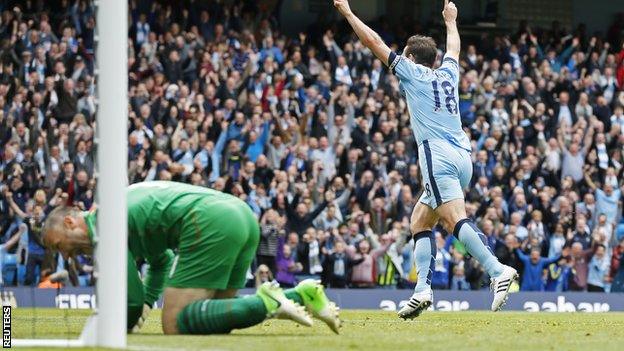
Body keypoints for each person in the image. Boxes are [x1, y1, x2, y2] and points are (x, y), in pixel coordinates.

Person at [333, 0, 517, 320]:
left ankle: (497, 270)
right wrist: (450, 22)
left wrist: (348, 13)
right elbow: (455, 49)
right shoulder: (448, 72)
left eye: (404, 54)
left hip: (437, 156)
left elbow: (373, 42)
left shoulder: (411, 71)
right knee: (420, 220)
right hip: (463, 157)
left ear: (411, 57)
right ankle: (421, 291)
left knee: (453, 219)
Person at [42, 181, 340, 335]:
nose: (65, 254)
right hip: (239, 215)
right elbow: (161, 259)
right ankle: (301, 294)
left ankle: (268, 301)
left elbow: (129, 304)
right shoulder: (117, 208)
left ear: (70, 222)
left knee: (174, 324)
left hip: (209, 222)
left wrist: (125, 322)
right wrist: (148, 301)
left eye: (60, 246)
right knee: (212, 318)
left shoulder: (104, 226)